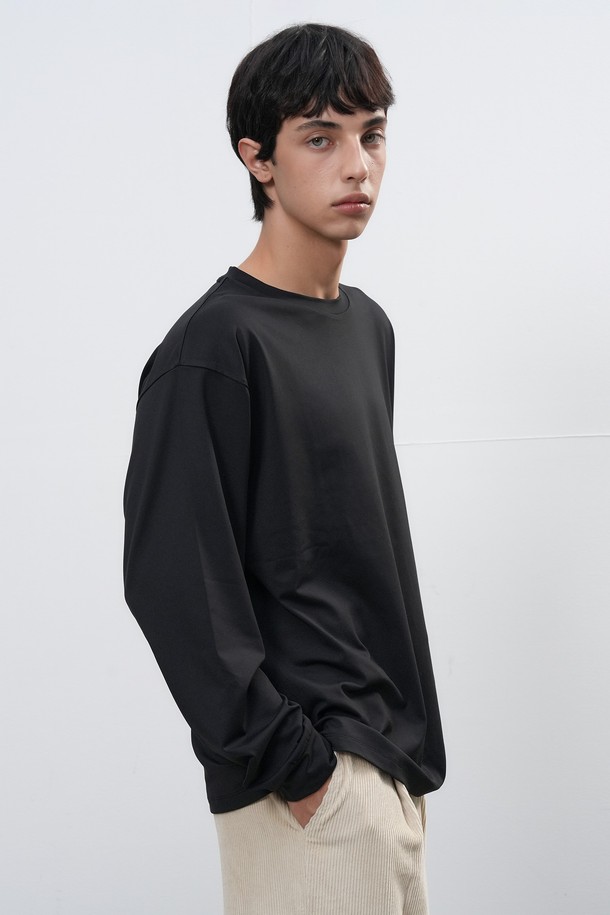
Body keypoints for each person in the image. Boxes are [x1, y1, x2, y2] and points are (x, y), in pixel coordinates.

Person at [123, 22, 445, 915]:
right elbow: (173, 581)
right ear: (257, 159)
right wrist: (298, 769)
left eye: (371, 135)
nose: (357, 166)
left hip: (389, 773)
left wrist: (379, 777)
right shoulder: (213, 347)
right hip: (307, 791)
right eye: (320, 138)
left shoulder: (367, 327)